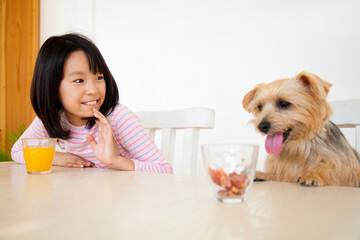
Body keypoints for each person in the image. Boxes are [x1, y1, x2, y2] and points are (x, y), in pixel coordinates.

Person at [11, 33, 173, 174]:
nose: (93, 90)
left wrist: (114, 161)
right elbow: (17, 151)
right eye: (79, 80)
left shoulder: (118, 118)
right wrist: (57, 157)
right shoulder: (52, 119)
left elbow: (164, 169)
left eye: (99, 77)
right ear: (52, 87)